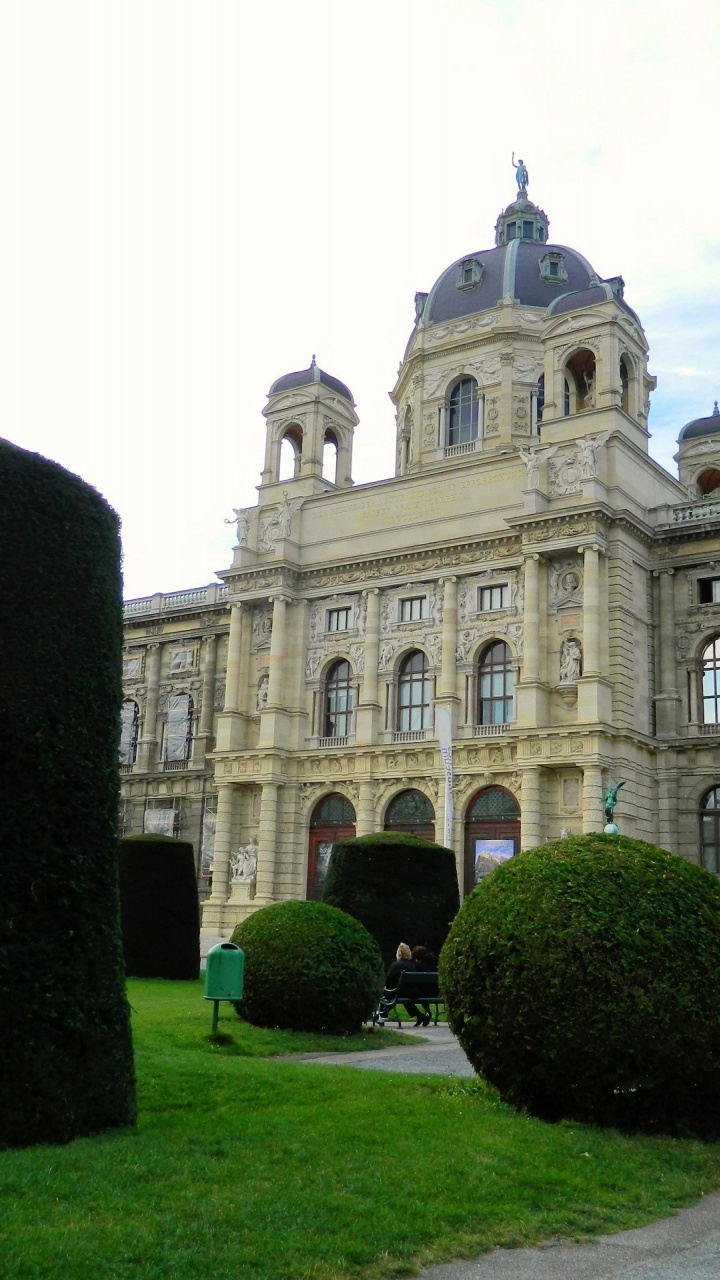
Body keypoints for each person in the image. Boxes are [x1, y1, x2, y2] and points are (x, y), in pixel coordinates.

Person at [373, 943, 418, 1026]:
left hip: (400, 992)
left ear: (399, 953)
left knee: (381, 993)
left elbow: (388, 982)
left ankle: (381, 1015)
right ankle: (420, 1016)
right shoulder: (413, 965)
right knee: (398, 992)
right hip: (413, 992)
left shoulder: (396, 965)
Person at [411, 946, 437, 1028]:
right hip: (435, 992)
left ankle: (426, 1011)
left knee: (418, 989)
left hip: (423, 992)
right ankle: (427, 1012)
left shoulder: (418, 964)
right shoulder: (433, 962)